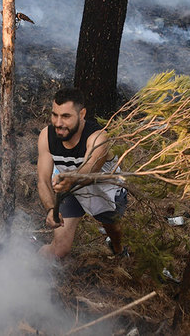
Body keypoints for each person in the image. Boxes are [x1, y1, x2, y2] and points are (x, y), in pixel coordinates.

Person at [37, 87, 127, 259]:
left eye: (66, 116)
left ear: (82, 113)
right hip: (71, 190)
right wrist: (50, 209)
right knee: (59, 250)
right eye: (55, 115)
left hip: (103, 190)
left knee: (112, 227)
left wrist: (72, 178)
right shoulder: (46, 136)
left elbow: (89, 169)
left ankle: (118, 250)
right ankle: (33, 265)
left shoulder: (98, 137)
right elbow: (42, 179)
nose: (58, 123)